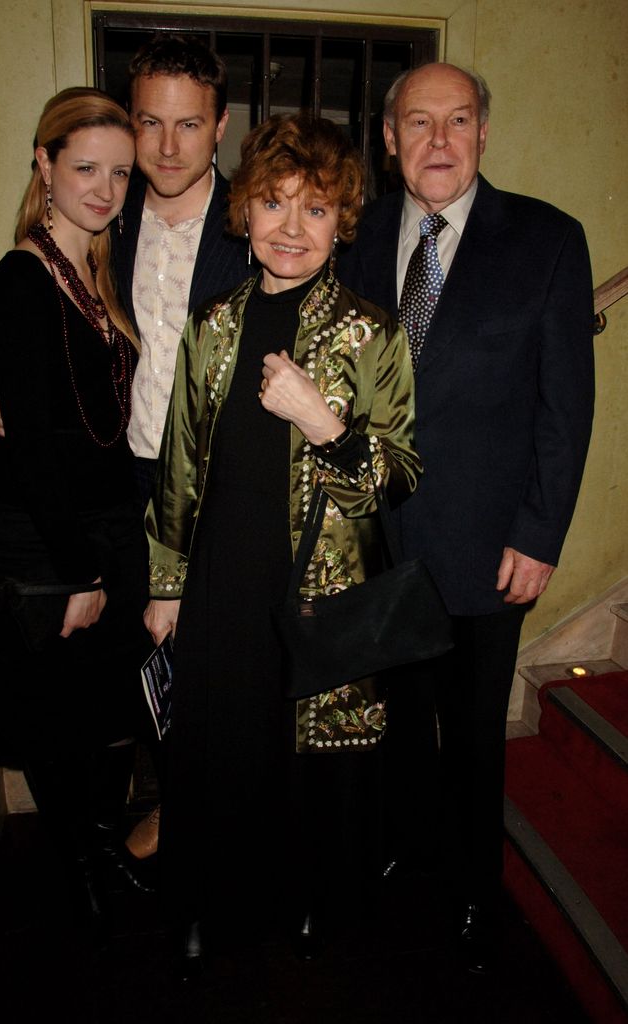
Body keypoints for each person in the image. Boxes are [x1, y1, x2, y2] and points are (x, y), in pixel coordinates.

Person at [143, 112, 422, 973]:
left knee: (311, 757)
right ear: (245, 212)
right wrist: (164, 581)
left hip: (323, 582)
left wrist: (325, 424)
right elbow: (181, 463)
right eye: (272, 204)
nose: (291, 228)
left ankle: (308, 897)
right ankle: (204, 900)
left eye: (313, 208)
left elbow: (399, 475)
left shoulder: (371, 333)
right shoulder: (214, 325)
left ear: (342, 219)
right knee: (217, 746)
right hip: (223, 574)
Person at [338, 62, 595, 972]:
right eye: (418, 122)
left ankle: (476, 896)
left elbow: (566, 407)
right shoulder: (355, 238)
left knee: (475, 734)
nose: (437, 141)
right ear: (388, 136)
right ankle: (408, 856)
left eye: (456, 121)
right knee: (398, 719)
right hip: (377, 543)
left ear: (483, 133)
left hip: (490, 548)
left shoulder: (548, 241)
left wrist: (539, 532)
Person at [0, 33, 250, 858]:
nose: (165, 146)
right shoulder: (102, 230)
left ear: (220, 127)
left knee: (221, 658)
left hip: (224, 487)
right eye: (148, 124)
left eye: (188, 125)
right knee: (138, 663)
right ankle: (163, 799)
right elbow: (44, 353)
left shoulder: (256, 226)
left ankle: (223, 810)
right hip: (121, 490)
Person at [0, 88, 152, 933]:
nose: (104, 189)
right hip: (37, 543)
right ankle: (82, 868)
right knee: (62, 726)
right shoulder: (21, 278)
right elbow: (32, 449)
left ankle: (103, 847)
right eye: (84, 169)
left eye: (118, 172)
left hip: (95, 529)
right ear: (43, 165)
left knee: (109, 718)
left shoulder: (97, 272)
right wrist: (78, 573)